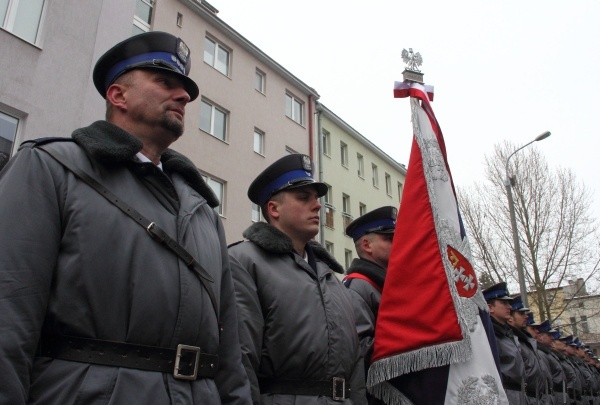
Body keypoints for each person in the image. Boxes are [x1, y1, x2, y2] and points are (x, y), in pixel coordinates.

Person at [0, 31, 251, 404]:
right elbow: (9, 310)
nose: (184, 96)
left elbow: (228, 346)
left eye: (183, 89)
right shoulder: (51, 167)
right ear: (118, 96)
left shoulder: (202, 209)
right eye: (165, 82)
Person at [228, 153, 367, 404]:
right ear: (274, 209)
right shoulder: (244, 261)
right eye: (304, 198)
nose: (317, 206)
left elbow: (355, 368)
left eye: (316, 199)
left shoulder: (331, 278)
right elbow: (239, 359)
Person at [343, 206, 397, 366]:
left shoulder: (384, 284)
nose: (398, 243)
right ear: (367, 245)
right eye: (390, 239)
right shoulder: (356, 288)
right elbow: (360, 350)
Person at [484, 282, 526, 404]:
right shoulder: (489, 334)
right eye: (504, 303)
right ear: (490, 307)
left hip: (518, 395)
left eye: (509, 303)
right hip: (505, 395)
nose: (510, 307)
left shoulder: (507, 333)